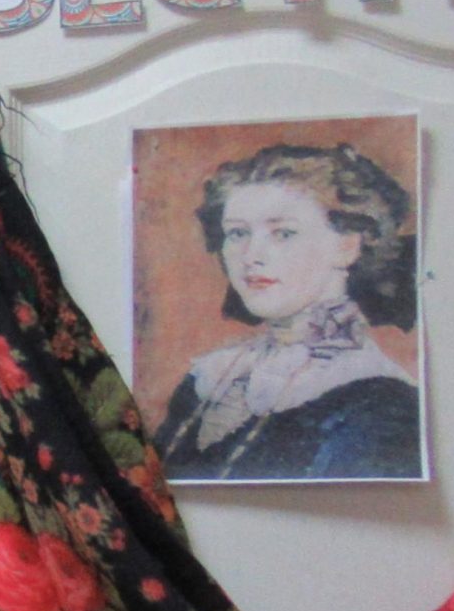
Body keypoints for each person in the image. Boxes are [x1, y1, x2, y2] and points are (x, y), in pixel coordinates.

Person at [153, 142, 422, 481]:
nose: (251, 255)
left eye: (283, 233)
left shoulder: (381, 403)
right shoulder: (210, 377)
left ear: (347, 246)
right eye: (237, 233)